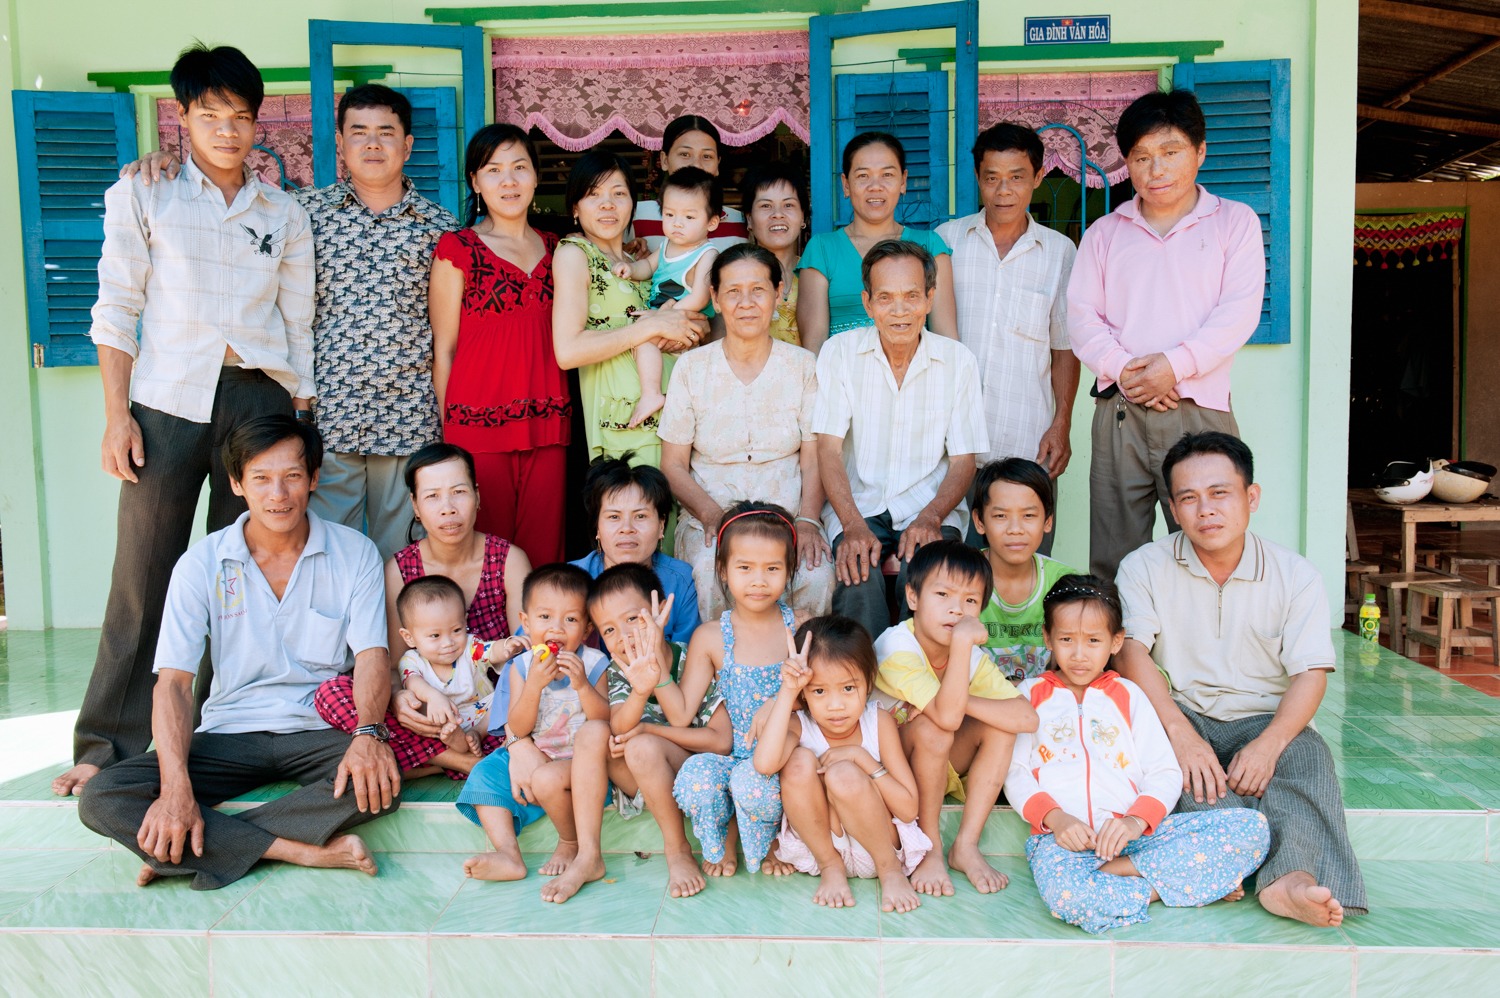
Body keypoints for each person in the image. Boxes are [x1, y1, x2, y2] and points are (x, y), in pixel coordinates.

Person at [57, 45, 314, 799]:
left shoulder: (283, 212)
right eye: (211, 115)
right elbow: (115, 308)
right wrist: (116, 416)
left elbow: (298, 325)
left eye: (240, 117)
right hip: (166, 403)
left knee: (242, 573)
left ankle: (216, 730)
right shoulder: (145, 194)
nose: (227, 131)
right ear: (182, 117)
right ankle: (108, 743)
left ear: (257, 124)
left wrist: (299, 421)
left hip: (258, 404)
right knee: (146, 573)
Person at [120, 84, 458, 563]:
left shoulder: (442, 229)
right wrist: (167, 161)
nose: (372, 144)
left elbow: (448, 336)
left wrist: (448, 417)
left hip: (409, 416)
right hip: (327, 417)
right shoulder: (302, 214)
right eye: (358, 132)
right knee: (321, 554)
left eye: (386, 132)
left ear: (407, 145)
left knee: (402, 558)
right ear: (340, 143)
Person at [76, 416, 401, 890]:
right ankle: (297, 851)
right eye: (261, 478)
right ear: (236, 483)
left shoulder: (356, 553)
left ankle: (192, 851)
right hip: (229, 731)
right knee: (102, 796)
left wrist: (368, 733)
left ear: (313, 478)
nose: (278, 495)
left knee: (382, 778)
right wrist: (175, 789)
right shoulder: (201, 563)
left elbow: (372, 656)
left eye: (292, 476)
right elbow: (174, 684)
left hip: (320, 727)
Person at [1114, 432, 1367, 926]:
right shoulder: (1143, 566)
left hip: (1265, 716)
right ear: (1173, 509)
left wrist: (1270, 744)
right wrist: (1179, 733)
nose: (1205, 509)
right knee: (1170, 768)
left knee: (1307, 759)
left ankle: (1289, 881)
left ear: (1251, 497)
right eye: (1188, 498)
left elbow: (1310, 673)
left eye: (1220, 493)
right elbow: (1131, 651)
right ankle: (1234, 860)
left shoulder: (1296, 575)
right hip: (1181, 712)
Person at [1068, 89, 1265, 579]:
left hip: (1200, 409)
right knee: (1114, 556)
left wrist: (1173, 367)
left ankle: (1206, 634)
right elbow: (1082, 319)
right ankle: (1119, 633)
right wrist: (1130, 373)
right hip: (1121, 411)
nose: (1156, 169)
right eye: (1141, 157)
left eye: (1170, 151)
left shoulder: (1233, 222)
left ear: (1200, 151)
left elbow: (1238, 312)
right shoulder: (1104, 233)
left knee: (1209, 545)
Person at [1008, 575, 1270, 934]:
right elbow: (1015, 771)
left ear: (1116, 641)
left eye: (1093, 640)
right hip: (1062, 842)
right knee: (1069, 898)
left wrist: (1134, 823)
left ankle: (1119, 874)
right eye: (1066, 639)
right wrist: (1057, 819)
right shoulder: (1029, 694)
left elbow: (1164, 771)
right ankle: (1177, 882)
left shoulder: (1130, 695)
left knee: (1253, 828)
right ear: (1048, 637)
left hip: (1135, 838)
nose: (1079, 654)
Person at [314, 443, 529, 777]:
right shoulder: (398, 570)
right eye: (432, 497)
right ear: (414, 506)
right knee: (335, 694)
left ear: (477, 496)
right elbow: (392, 664)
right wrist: (399, 699)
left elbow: (526, 657)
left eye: (459, 492)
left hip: (492, 718)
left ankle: (427, 761)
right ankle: (458, 761)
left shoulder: (509, 561)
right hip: (425, 715)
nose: (448, 509)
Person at [813, 240, 988, 641]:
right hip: (858, 503)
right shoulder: (839, 353)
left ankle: (920, 678)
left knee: (929, 585)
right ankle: (863, 677)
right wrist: (852, 524)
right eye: (885, 298)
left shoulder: (958, 361)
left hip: (930, 503)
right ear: (867, 303)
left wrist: (931, 516)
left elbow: (964, 461)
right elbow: (829, 449)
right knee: (857, 580)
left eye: (911, 296)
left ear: (929, 299)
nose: (899, 310)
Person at [659, 244, 835, 622]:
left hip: (788, 519)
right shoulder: (691, 368)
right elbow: (672, 465)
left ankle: (804, 658)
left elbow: (813, 458)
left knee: (816, 575)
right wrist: (711, 515)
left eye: (758, 290)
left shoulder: (803, 366)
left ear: (779, 292)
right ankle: (716, 659)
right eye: (733, 292)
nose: (746, 303)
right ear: (715, 299)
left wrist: (808, 521)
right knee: (709, 573)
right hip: (710, 519)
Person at [936, 124, 1078, 555]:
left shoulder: (1059, 253)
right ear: (977, 178)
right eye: (992, 177)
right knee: (952, 572)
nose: (1003, 191)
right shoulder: (945, 242)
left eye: (1017, 177)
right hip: (949, 447)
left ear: (1038, 177)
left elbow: (1064, 347)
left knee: (1025, 567)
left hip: (1026, 445)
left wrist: (1062, 422)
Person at [431, 124, 571, 564]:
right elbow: (444, 350)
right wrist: (450, 438)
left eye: (519, 168)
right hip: (476, 423)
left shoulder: (561, 249)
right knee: (485, 553)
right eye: (493, 170)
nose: (508, 181)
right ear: (475, 181)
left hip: (547, 419)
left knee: (543, 553)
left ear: (535, 177)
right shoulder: (458, 249)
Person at [873, 541, 1038, 897]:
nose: (957, 610)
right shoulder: (897, 646)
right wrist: (962, 646)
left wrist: (962, 697)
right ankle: (931, 848)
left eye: (970, 601)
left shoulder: (969, 656)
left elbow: (1026, 717)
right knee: (934, 728)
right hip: (885, 771)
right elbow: (946, 718)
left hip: (937, 765)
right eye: (943, 594)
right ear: (913, 597)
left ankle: (965, 845)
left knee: (1000, 727)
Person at [457, 563, 612, 904]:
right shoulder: (522, 666)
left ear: (587, 627)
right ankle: (508, 853)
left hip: (578, 762)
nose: (556, 627)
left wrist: (582, 685)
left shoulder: (594, 662)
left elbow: (604, 720)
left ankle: (570, 841)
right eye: (545, 617)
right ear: (526, 623)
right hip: (536, 749)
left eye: (570, 619)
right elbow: (519, 726)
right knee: (484, 774)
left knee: (551, 778)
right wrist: (534, 686)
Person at [667, 504, 806, 878]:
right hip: (732, 755)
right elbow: (681, 713)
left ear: (789, 570)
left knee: (756, 781)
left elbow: (819, 695)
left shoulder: (802, 629)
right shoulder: (711, 636)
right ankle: (725, 838)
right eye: (745, 568)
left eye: (772, 569)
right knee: (697, 775)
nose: (758, 581)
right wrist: (656, 673)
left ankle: (775, 842)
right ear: (723, 571)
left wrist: (779, 701)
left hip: (784, 755)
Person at [755, 615, 928, 914]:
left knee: (843, 773)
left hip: (878, 849)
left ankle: (890, 873)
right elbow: (764, 764)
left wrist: (862, 759)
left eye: (848, 688)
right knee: (797, 761)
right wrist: (787, 691)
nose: (835, 705)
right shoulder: (800, 724)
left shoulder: (878, 722)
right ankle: (831, 868)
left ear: (868, 681)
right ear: (804, 692)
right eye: (819, 691)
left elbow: (909, 808)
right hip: (821, 850)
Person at [552, 151, 708, 466]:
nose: (607, 204)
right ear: (575, 208)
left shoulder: (641, 262)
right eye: (593, 194)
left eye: (619, 194)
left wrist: (698, 326)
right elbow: (567, 351)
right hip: (627, 417)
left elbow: (684, 314)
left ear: (633, 206)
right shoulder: (575, 254)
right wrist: (651, 326)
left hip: (679, 409)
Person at [590, 563, 733, 898]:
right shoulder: (619, 671)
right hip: (644, 778)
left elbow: (721, 742)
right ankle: (675, 849)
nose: (623, 636)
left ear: (660, 613)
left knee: (642, 745)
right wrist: (641, 691)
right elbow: (618, 728)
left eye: (632, 619)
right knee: (606, 738)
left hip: (701, 775)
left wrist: (650, 731)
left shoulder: (692, 660)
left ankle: (678, 849)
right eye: (608, 630)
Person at [797, 132, 956, 352]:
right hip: (842, 373)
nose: (875, 186)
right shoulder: (822, 249)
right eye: (863, 176)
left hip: (917, 372)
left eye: (887, 175)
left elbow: (947, 341)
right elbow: (814, 347)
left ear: (903, 181)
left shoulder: (930, 246)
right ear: (845, 184)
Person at [612, 167, 723, 428]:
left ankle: (651, 394)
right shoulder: (666, 245)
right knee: (643, 341)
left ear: (712, 222)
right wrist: (630, 269)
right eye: (670, 214)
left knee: (643, 340)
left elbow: (699, 297)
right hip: (665, 319)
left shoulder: (707, 254)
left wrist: (663, 318)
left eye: (689, 216)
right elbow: (647, 266)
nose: (677, 223)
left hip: (685, 320)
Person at [571, 456, 700, 644]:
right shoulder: (569, 582)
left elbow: (687, 655)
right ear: (597, 527)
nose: (627, 528)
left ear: (661, 525)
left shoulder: (682, 581)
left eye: (640, 516)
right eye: (614, 517)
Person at [971, 458, 1079, 683]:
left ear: (1047, 521)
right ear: (979, 521)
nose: (1015, 529)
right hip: (976, 699)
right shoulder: (960, 579)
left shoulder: (1065, 583)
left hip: (1047, 699)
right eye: (1000, 516)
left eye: (1028, 516)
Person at [392, 575, 508, 758]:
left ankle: (477, 733)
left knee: (507, 693)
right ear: (409, 637)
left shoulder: (470, 646)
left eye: (456, 630)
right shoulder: (411, 660)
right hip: (443, 718)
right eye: (435, 636)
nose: (448, 643)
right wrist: (433, 696)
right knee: (417, 706)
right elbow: (413, 682)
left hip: (482, 712)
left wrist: (508, 646)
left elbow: (491, 650)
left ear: (465, 622)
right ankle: (456, 740)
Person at [630, 115, 748, 254]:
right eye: (685, 154)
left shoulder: (741, 223)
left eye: (707, 156)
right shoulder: (635, 215)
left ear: (718, 165)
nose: (696, 165)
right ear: (664, 161)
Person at [741, 161, 809, 346]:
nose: (778, 214)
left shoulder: (814, 275)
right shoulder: (734, 275)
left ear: (802, 216)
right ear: (749, 219)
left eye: (788, 205)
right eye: (765, 206)